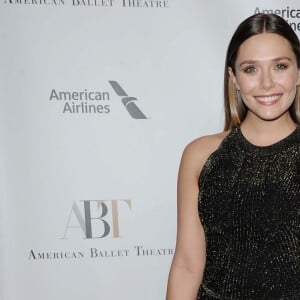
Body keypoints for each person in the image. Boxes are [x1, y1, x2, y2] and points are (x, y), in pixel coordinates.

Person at [166, 13, 300, 300]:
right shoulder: (201, 155)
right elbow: (188, 265)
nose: (266, 83)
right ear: (234, 79)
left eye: (280, 66)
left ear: (298, 72)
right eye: (251, 69)